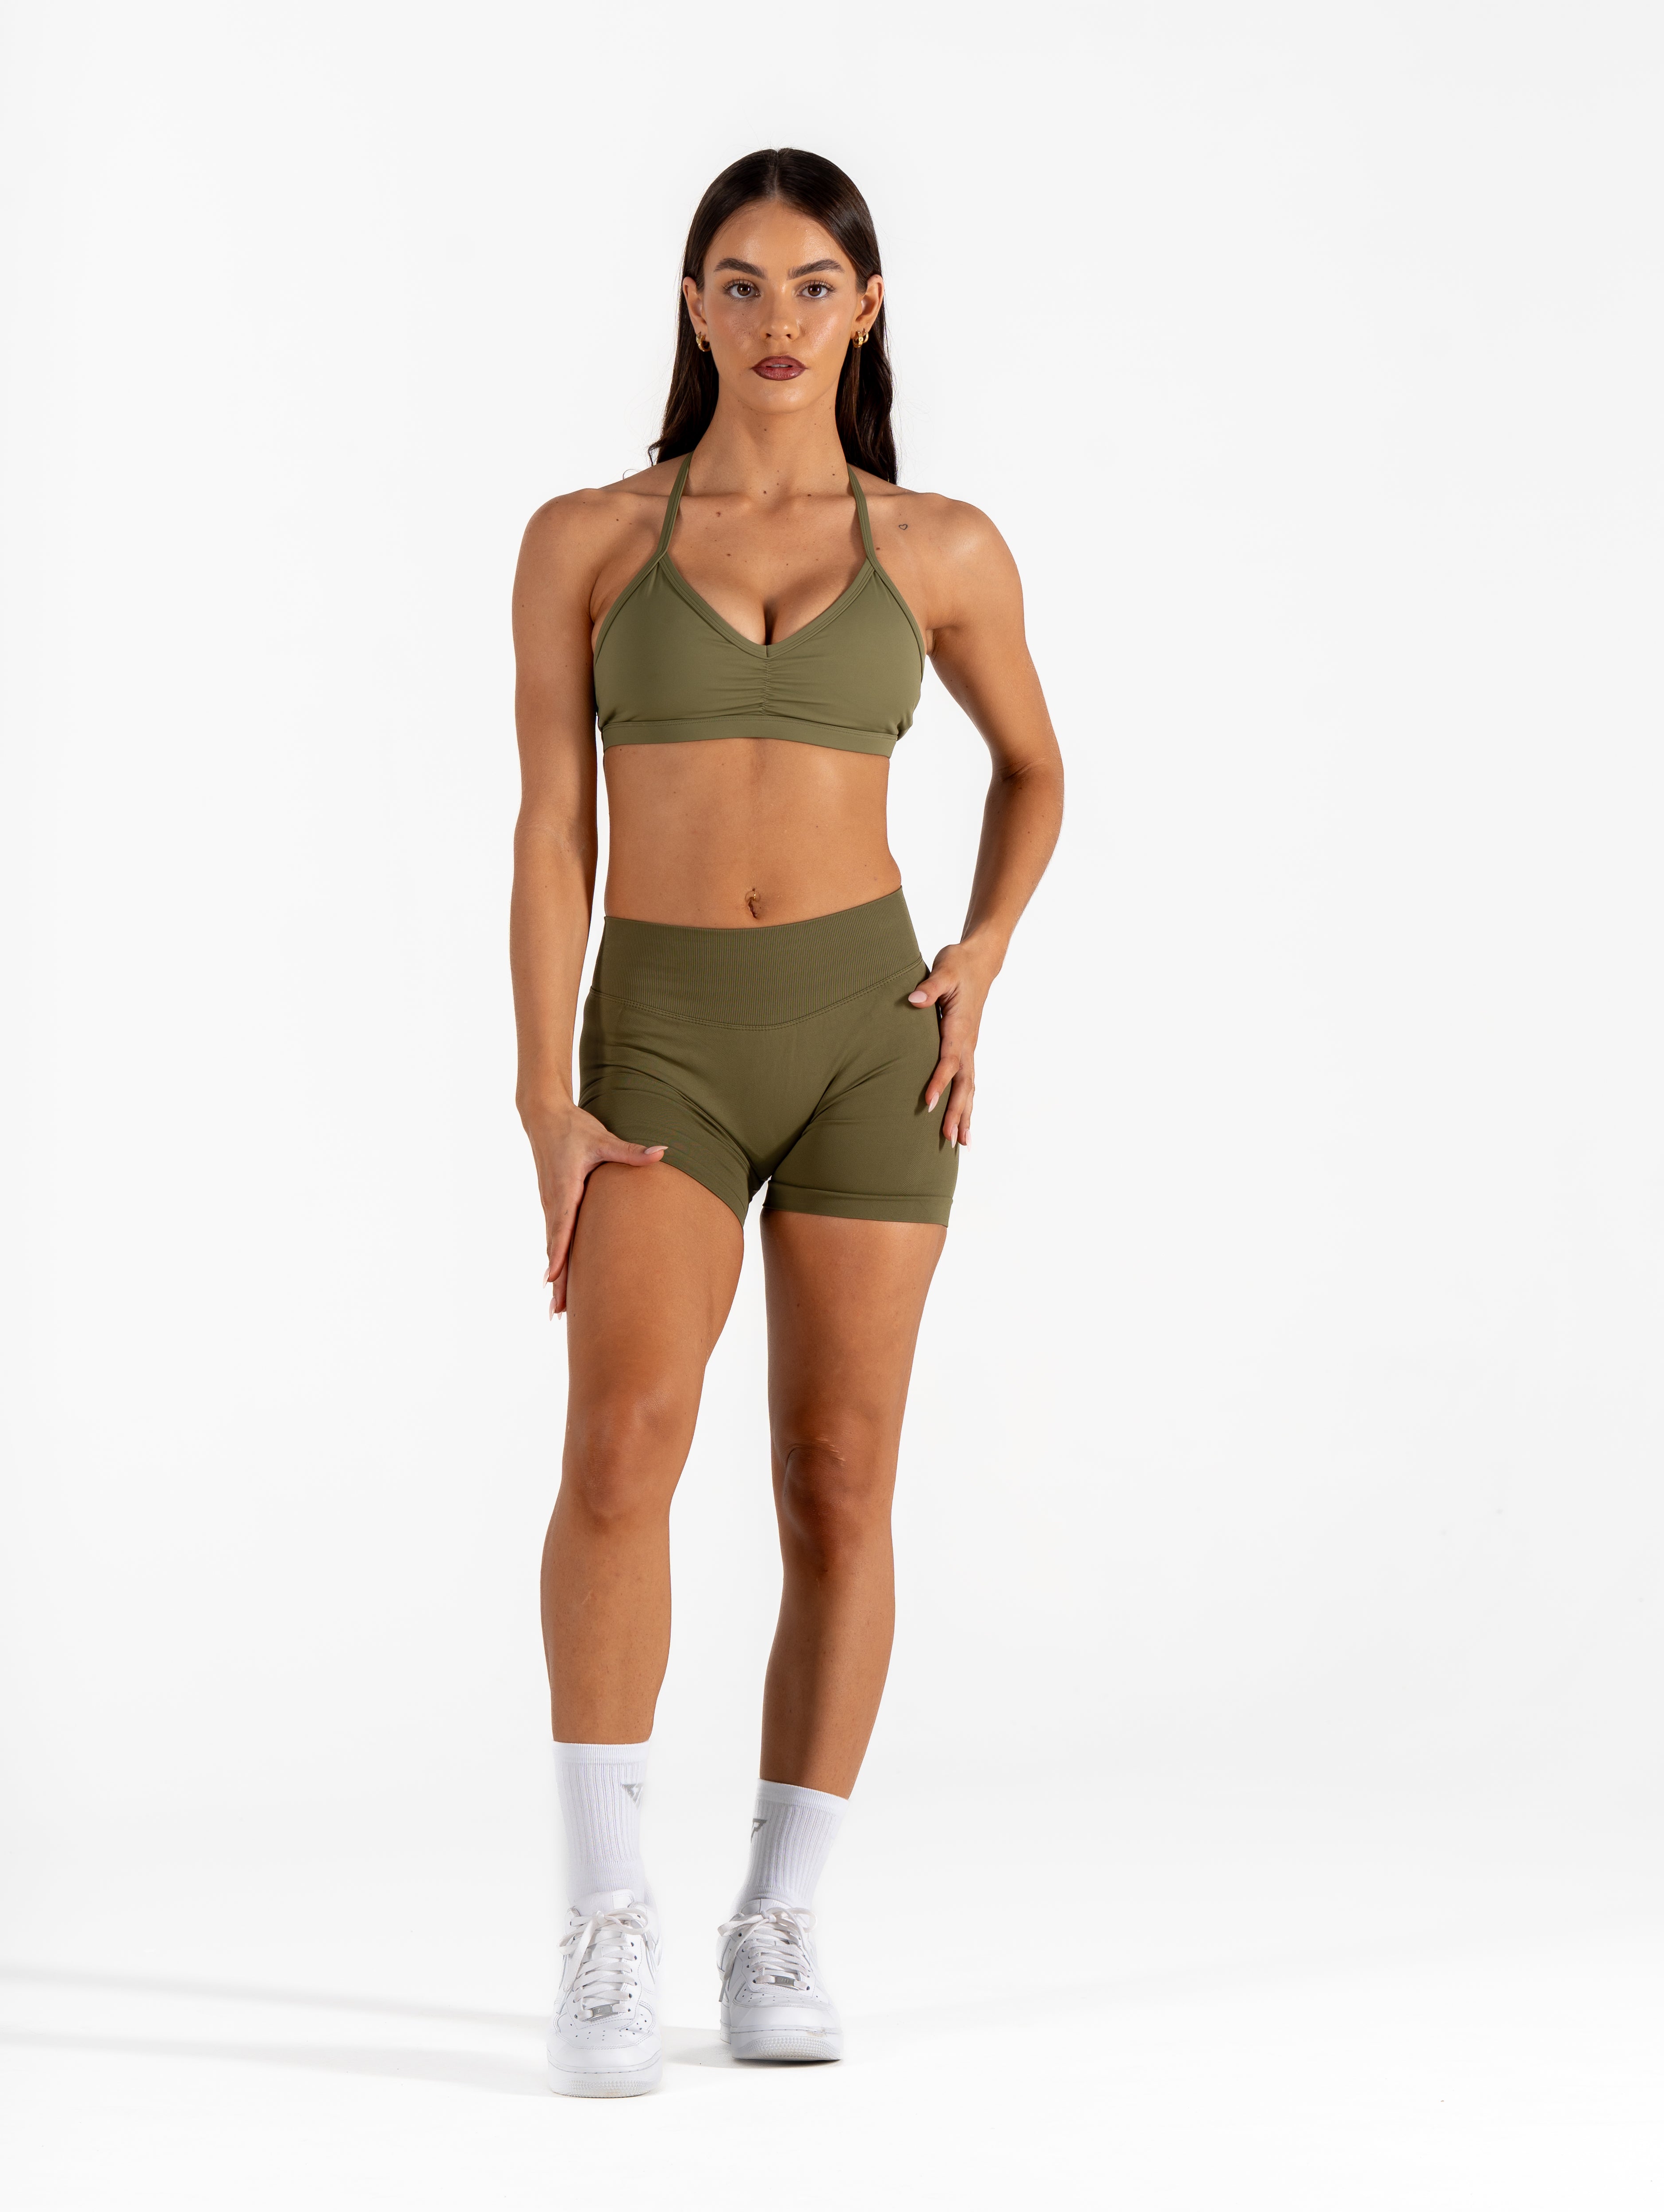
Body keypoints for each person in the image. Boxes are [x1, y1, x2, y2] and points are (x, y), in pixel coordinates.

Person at [510, 148, 1062, 2097]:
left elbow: (1034, 769)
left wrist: (981, 954)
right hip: (661, 1035)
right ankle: (605, 1918)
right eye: (737, 283)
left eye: (813, 284)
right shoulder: (587, 537)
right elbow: (552, 828)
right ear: (693, 307)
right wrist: (544, 1093)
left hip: (865, 1037)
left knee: (838, 1475)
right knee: (622, 1448)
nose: (774, 319)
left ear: (866, 308)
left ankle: (781, 1914)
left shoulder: (941, 546)